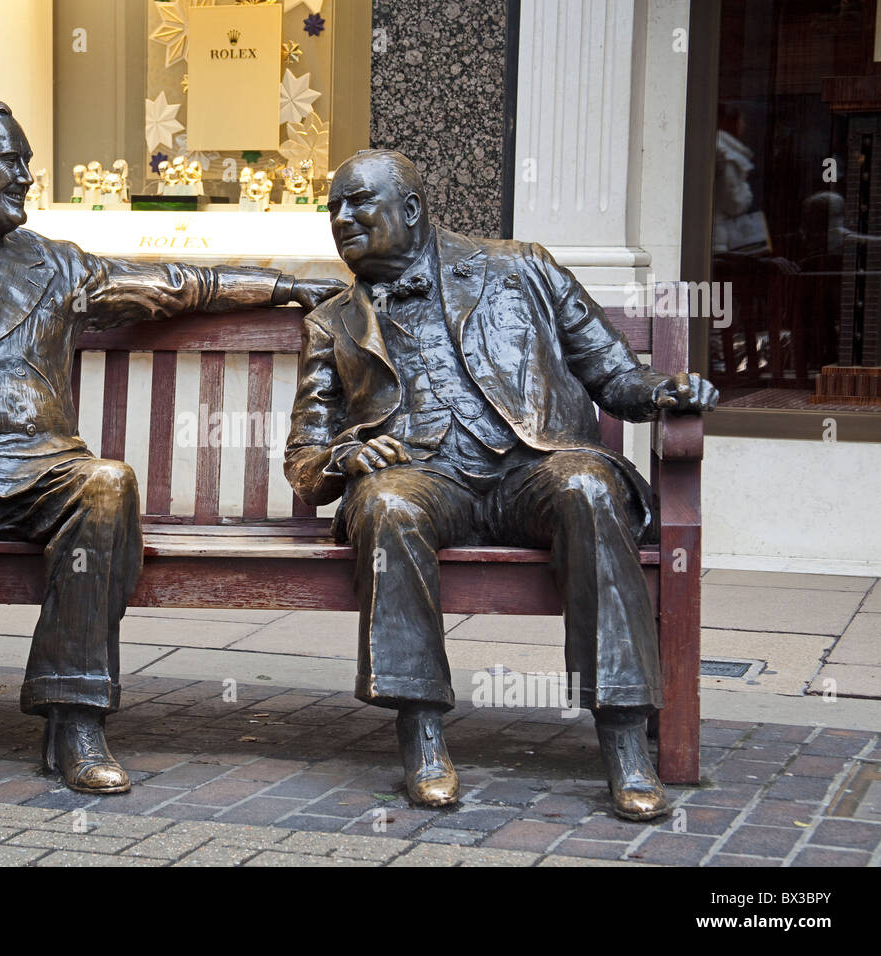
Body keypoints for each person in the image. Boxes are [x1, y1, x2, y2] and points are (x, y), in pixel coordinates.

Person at [0, 99, 343, 799]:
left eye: (26, 162)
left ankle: (74, 719)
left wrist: (287, 286)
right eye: (10, 162)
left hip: (39, 468)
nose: (26, 176)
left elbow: (174, 284)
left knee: (107, 484)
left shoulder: (54, 266)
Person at [285, 149, 717, 820]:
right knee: (388, 503)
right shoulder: (332, 323)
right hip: (425, 481)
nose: (340, 218)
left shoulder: (522, 268)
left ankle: (624, 740)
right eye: (332, 208)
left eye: (357, 204)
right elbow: (306, 458)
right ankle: (422, 737)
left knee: (588, 486)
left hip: (531, 470)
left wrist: (667, 391)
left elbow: (613, 375)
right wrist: (346, 458)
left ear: (411, 210)